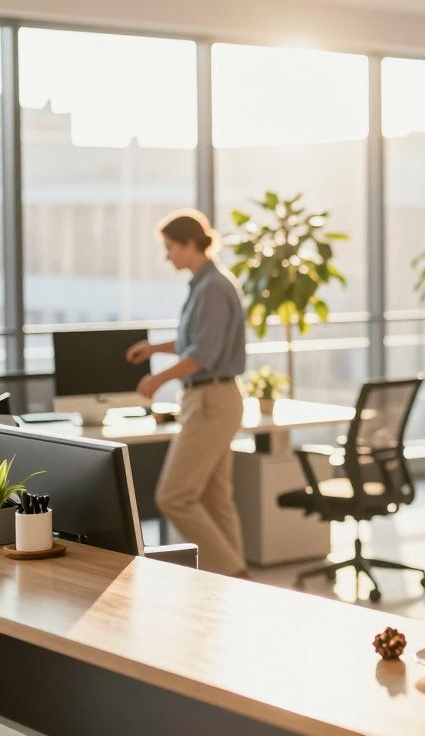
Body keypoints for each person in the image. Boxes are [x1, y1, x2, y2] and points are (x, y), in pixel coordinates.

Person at [126, 210, 248, 577]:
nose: (167, 256)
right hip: (216, 399)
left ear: (191, 244)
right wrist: (154, 349)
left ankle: (235, 574)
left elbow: (203, 354)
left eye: (170, 247)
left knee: (173, 496)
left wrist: (157, 379)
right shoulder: (206, 283)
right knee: (214, 499)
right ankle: (234, 579)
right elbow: (193, 342)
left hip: (211, 400)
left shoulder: (212, 288)